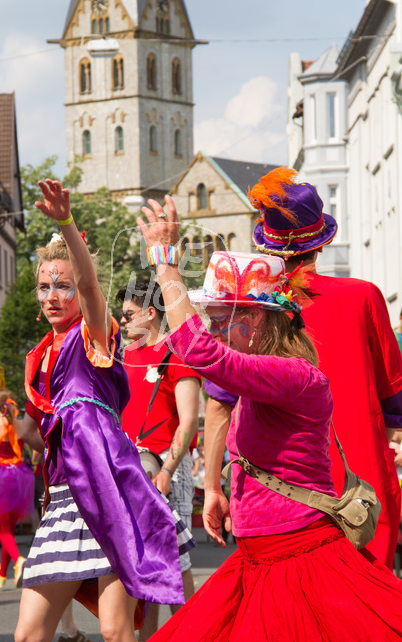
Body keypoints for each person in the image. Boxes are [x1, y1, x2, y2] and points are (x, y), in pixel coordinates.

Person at [135, 195, 402, 642]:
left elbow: (202, 354)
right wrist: (220, 491)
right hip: (259, 558)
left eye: (222, 320)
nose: (215, 331)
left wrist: (166, 263)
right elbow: (222, 409)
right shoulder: (261, 375)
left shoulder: (292, 374)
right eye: (213, 321)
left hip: (298, 558)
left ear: (257, 319)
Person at [15, 179, 193, 642]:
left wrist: (66, 224)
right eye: (43, 287)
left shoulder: (93, 333)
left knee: (116, 631)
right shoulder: (39, 357)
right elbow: (42, 431)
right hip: (63, 498)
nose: (52, 295)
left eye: (63, 286)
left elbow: (92, 283)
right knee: (28, 634)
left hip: (111, 491)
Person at [244, 166, 402, 569]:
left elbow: (225, 402)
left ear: (268, 246)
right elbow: (395, 400)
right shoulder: (364, 296)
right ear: (321, 244)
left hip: (282, 481)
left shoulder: (256, 310)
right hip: (359, 478)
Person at [116, 280, 201, 641]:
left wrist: (167, 469)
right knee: (143, 564)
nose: (121, 321)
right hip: (130, 468)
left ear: (151, 313)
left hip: (167, 468)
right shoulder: (125, 356)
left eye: (128, 314)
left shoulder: (177, 353)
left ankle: (197, 633)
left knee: (173, 561)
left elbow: (188, 421)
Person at [0, 389, 34, 589]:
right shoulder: (20, 425)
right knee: (7, 527)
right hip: (19, 477)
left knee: (2, 527)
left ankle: (19, 560)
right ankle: (1, 574)